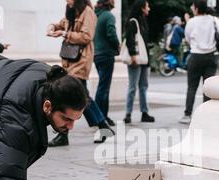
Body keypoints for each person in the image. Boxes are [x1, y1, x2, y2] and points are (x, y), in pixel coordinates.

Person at [47, 0, 114, 145]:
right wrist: (52, 27)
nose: (67, 1)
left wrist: (65, 34)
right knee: (81, 95)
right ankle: (103, 126)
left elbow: (87, 36)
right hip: (69, 60)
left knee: (76, 94)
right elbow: (62, 23)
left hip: (81, 60)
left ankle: (64, 134)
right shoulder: (72, 11)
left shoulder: (88, 12)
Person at [179, 0, 219, 125]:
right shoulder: (214, 20)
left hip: (196, 56)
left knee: (192, 87)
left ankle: (187, 114)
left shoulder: (192, 22)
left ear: (197, 8)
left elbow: (187, 38)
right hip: (211, 57)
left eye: (192, 6)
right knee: (207, 87)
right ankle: (206, 115)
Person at [123, 0, 155, 124]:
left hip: (144, 59)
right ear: (142, 8)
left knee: (143, 87)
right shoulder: (133, 22)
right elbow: (130, 39)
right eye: (147, 6)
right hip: (136, 58)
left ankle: (144, 112)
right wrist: (133, 55)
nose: (149, 8)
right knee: (133, 87)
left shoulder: (142, 21)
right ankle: (128, 114)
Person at [93, 0, 120, 127]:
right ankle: (100, 118)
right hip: (106, 54)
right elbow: (111, 34)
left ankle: (103, 116)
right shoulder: (109, 16)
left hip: (96, 54)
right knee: (103, 87)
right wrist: (118, 45)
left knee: (103, 86)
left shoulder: (95, 15)